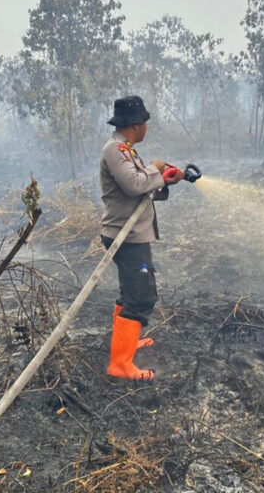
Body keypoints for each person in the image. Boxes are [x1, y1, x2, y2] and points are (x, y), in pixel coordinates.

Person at [100, 96, 184, 381]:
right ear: (136, 125)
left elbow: (143, 190)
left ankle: (124, 344)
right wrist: (156, 167)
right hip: (125, 236)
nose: (147, 127)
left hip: (133, 234)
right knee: (142, 297)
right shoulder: (115, 151)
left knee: (130, 292)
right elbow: (135, 184)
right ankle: (120, 364)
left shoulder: (128, 151)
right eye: (145, 122)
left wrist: (166, 180)